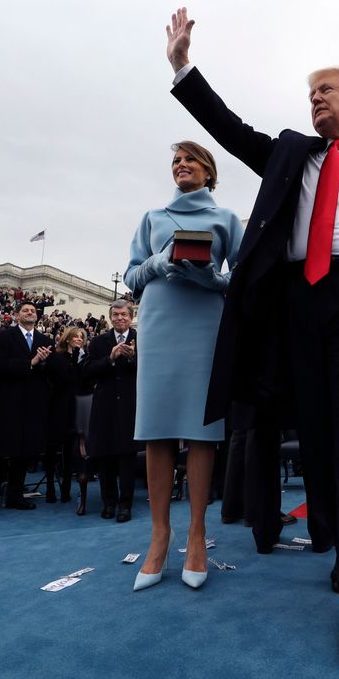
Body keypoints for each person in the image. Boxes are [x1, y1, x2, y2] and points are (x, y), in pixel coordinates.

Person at [164, 8, 339, 671]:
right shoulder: (291, 152)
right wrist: (182, 68)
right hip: (292, 309)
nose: (314, 100)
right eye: (309, 93)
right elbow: (228, 132)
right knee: (316, 441)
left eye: (326, 91)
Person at [124, 139, 242, 590]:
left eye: (190, 159)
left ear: (208, 170)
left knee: (200, 430)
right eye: (175, 160)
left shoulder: (227, 219)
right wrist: (156, 261)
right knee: (156, 428)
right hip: (158, 323)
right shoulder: (151, 219)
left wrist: (211, 278)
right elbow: (132, 276)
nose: (181, 165)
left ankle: (197, 533)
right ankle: (159, 536)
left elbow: (245, 278)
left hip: (204, 325)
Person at [0, 301, 54, 511]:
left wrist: (43, 363)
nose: (29, 313)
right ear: (16, 315)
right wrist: (31, 363)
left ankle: (16, 495)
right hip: (7, 401)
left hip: (33, 403)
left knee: (24, 452)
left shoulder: (45, 340)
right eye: (25, 310)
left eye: (33, 311)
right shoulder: (2, 337)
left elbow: (49, 371)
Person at [84, 301, 140, 522]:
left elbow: (151, 370)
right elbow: (87, 371)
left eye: (123, 314)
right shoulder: (98, 342)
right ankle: (109, 503)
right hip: (104, 407)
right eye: (115, 315)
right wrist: (110, 358)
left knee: (127, 458)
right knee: (105, 457)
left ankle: (125, 505)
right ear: (110, 317)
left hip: (130, 406)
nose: (119, 318)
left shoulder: (141, 339)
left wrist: (132, 357)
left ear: (130, 315)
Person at [46, 326, 89, 506]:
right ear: (67, 338)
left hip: (77, 407)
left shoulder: (85, 358)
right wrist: (73, 357)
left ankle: (66, 488)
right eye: (75, 336)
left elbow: (84, 381)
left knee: (71, 450)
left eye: (81, 336)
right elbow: (62, 379)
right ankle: (50, 486)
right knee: (53, 447)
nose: (78, 339)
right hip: (58, 406)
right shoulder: (57, 357)